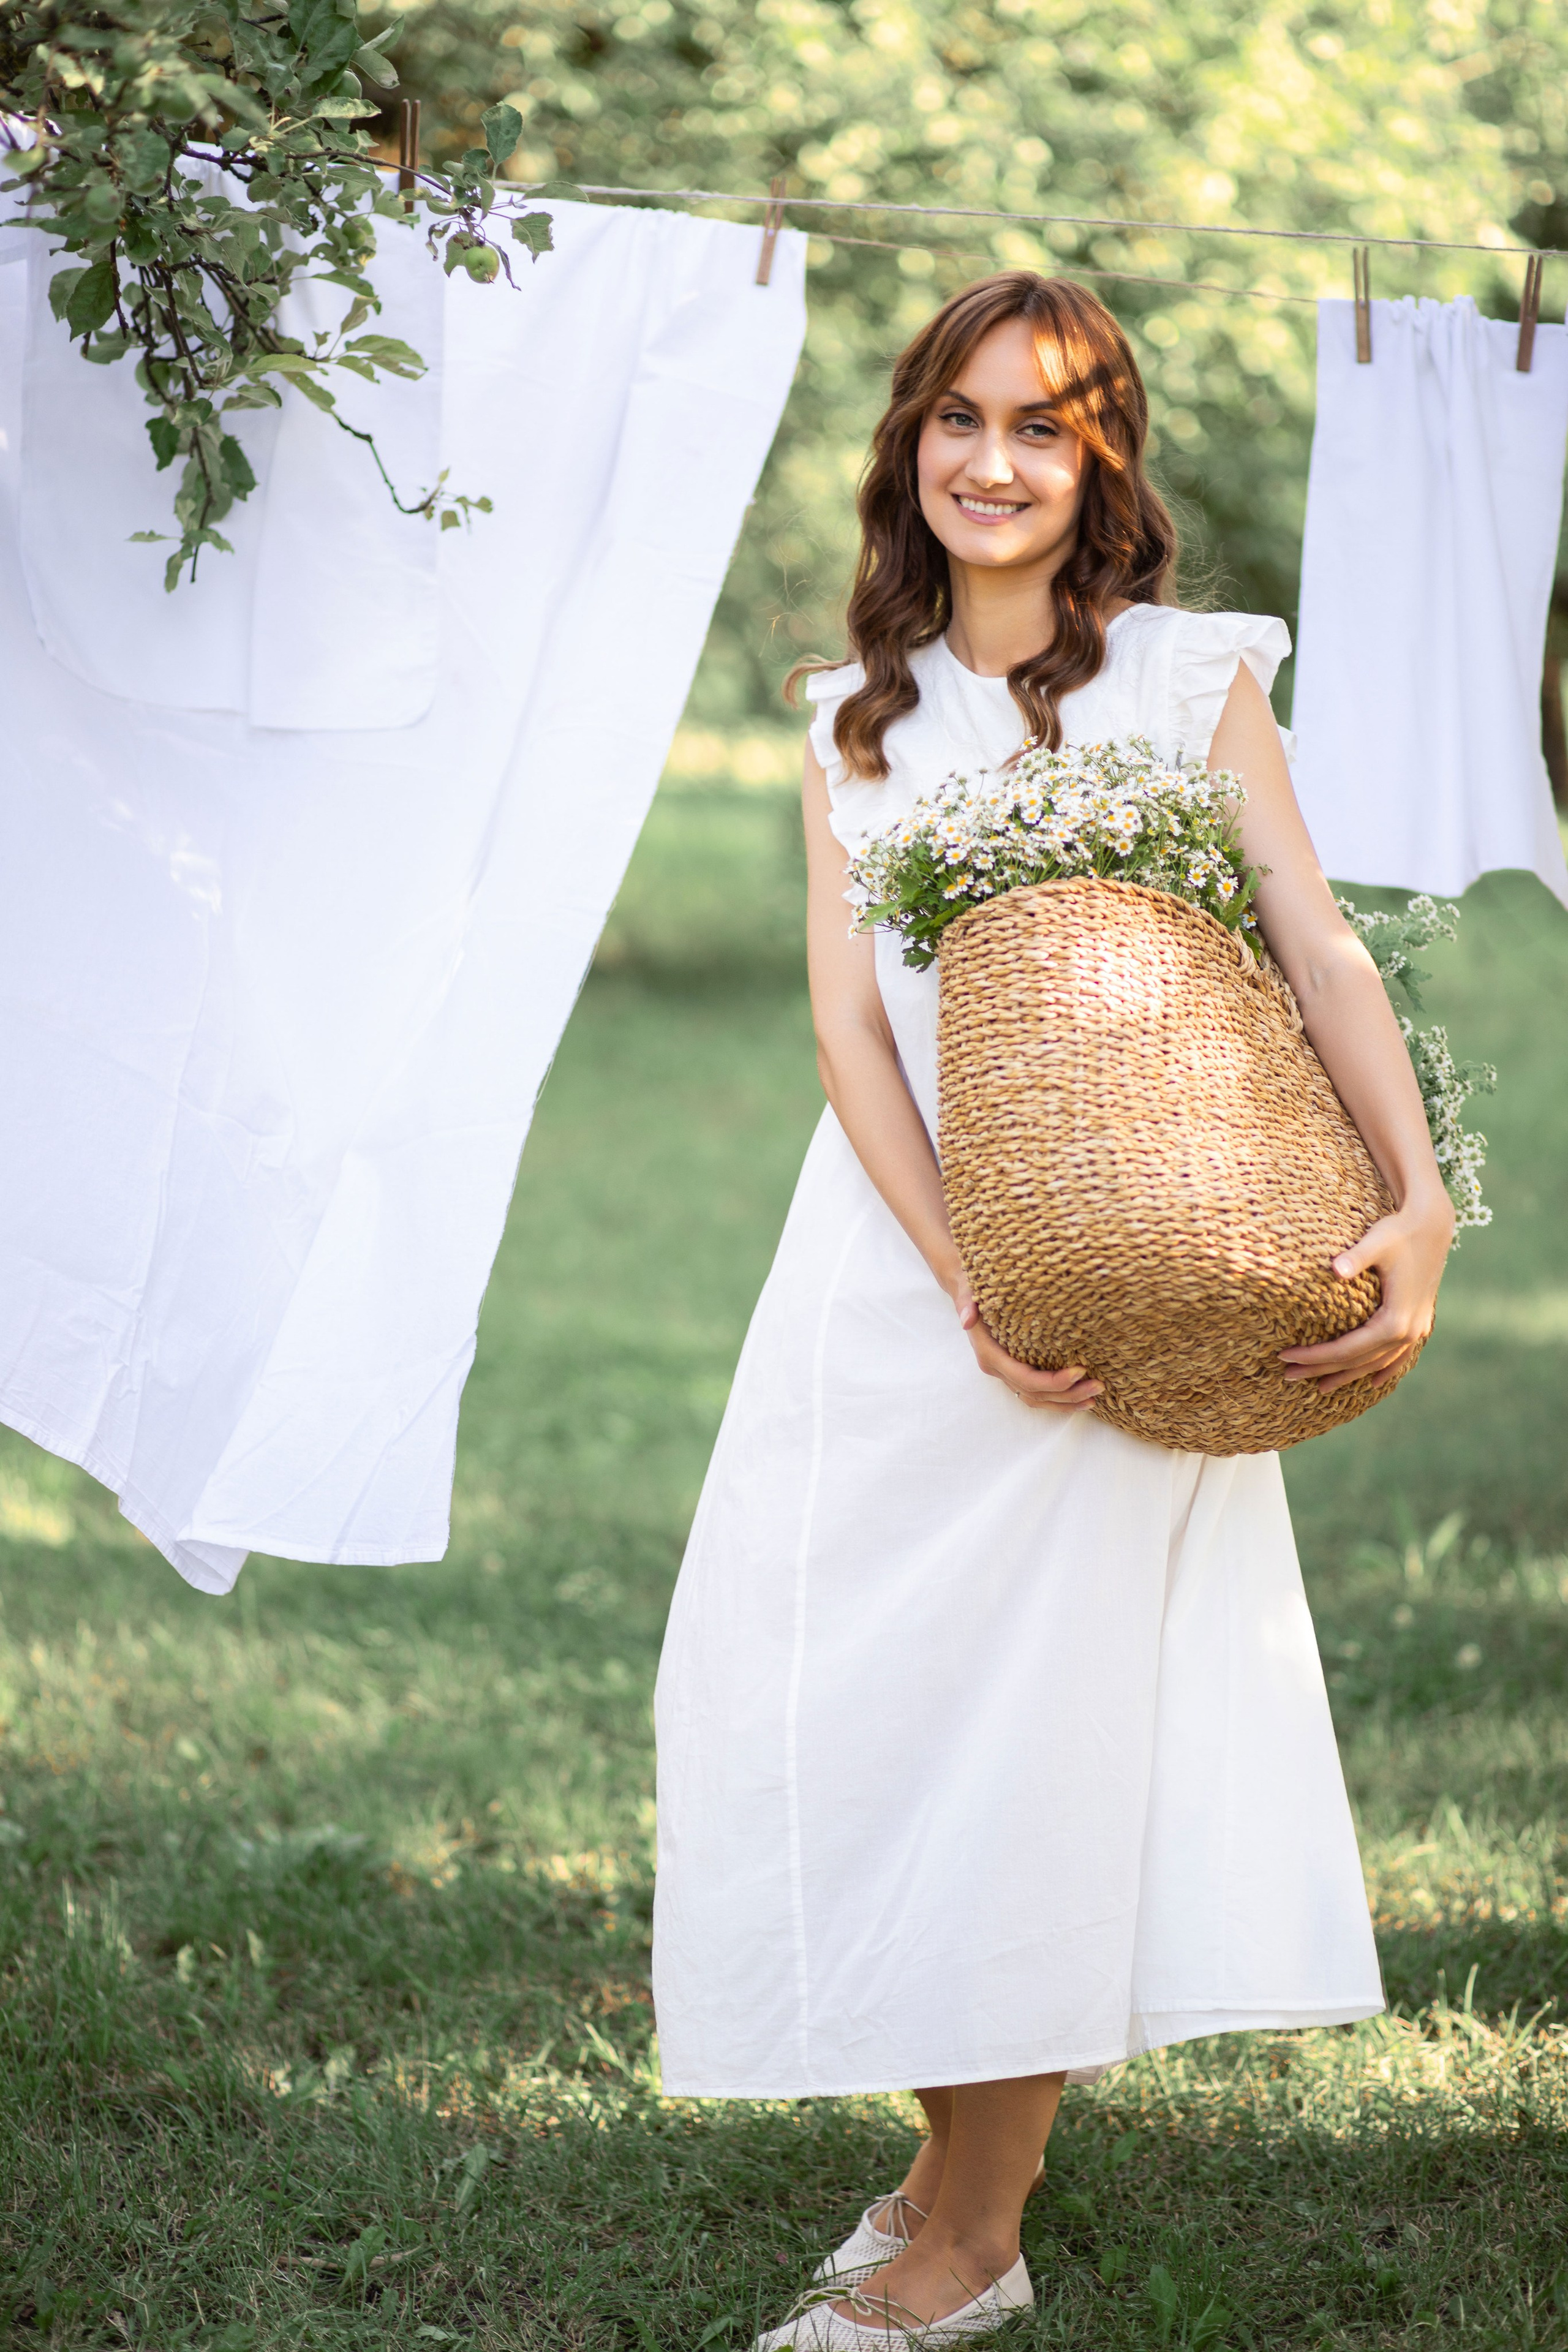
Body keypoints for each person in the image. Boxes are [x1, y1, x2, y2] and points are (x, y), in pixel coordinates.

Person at [651, 272, 1453, 2349]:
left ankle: (977, 2238)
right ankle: (943, 2166)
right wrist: (963, 1279)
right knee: (862, 1704)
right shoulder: (851, 714)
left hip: (1134, 1277)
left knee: (1038, 1728)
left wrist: (1420, 1197)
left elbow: (1316, 942)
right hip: (898, 1277)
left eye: (1043, 424)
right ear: (908, 441)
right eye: (959, 417)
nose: (992, 461)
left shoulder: (1187, 678)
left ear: (1103, 462)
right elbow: (852, 1029)